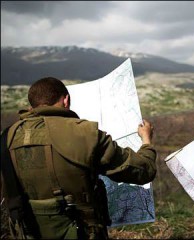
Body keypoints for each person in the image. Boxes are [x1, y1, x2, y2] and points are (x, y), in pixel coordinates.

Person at [0, 77, 157, 239]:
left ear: (31, 106)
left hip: (28, 234)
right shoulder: (85, 134)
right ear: (66, 100)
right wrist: (146, 140)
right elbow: (143, 171)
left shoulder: (7, 138)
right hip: (82, 232)